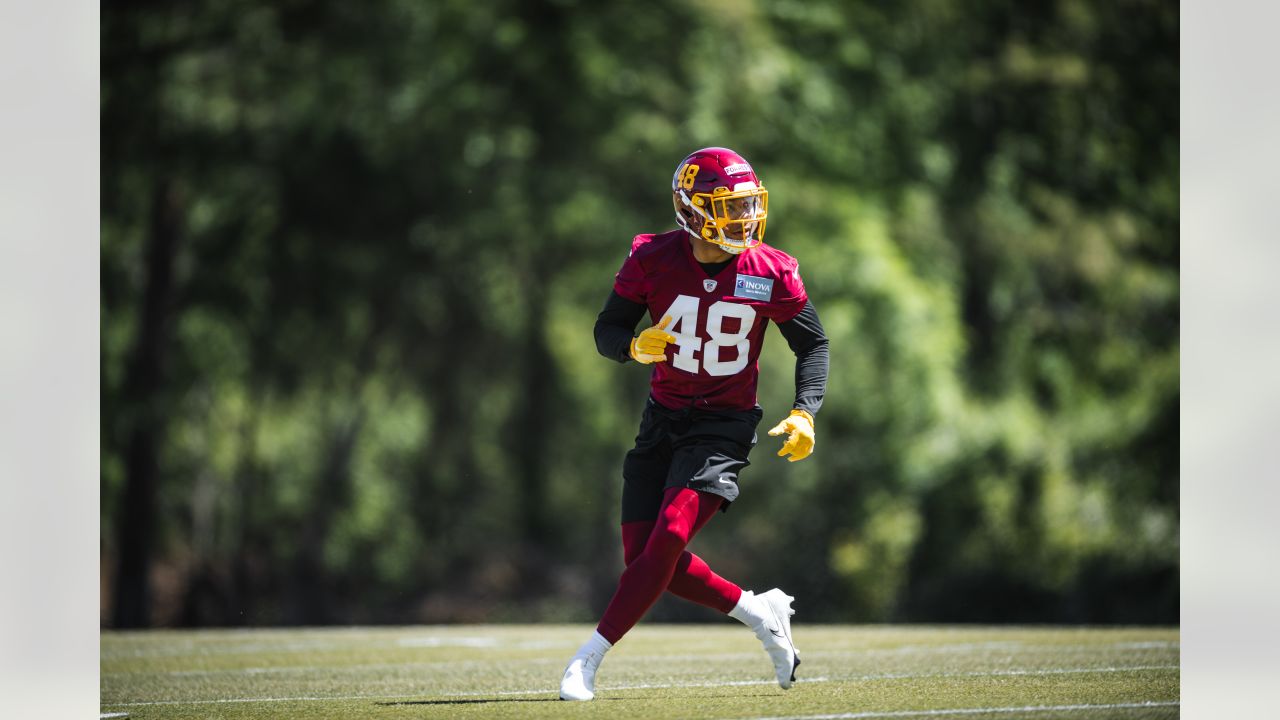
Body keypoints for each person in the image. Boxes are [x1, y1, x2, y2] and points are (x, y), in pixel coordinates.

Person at [559, 147, 830, 701]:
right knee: (648, 561)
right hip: (662, 421)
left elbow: (813, 343)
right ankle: (760, 611)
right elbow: (607, 328)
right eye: (729, 208)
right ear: (692, 210)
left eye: (749, 205)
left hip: (723, 426)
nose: (745, 219)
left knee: (671, 537)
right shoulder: (652, 259)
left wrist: (805, 410)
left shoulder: (769, 271)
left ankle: (587, 660)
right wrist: (634, 348)